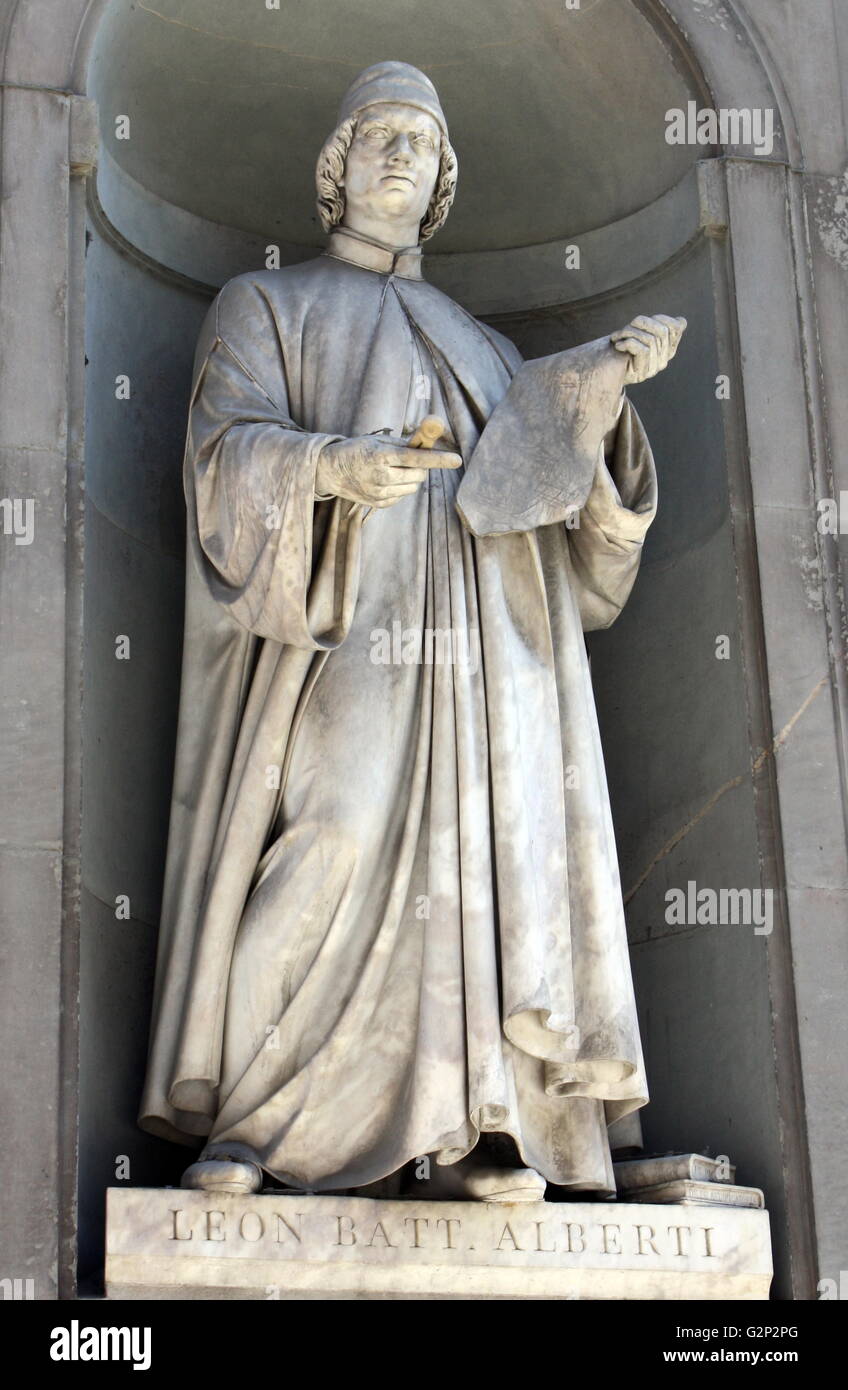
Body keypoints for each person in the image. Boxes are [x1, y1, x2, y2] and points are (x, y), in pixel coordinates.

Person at [139, 61, 686, 1202]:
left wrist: (603, 403)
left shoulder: (483, 351)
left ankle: (487, 1124)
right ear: (335, 171)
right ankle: (257, 1118)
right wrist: (329, 464)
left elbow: (572, 553)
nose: (399, 154)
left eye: (420, 143)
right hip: (346, 630)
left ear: (440, 181)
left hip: (488, 660)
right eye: (377, 135)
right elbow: (217, 465)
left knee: (485, 860)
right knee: (328, 834)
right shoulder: (268, 305)